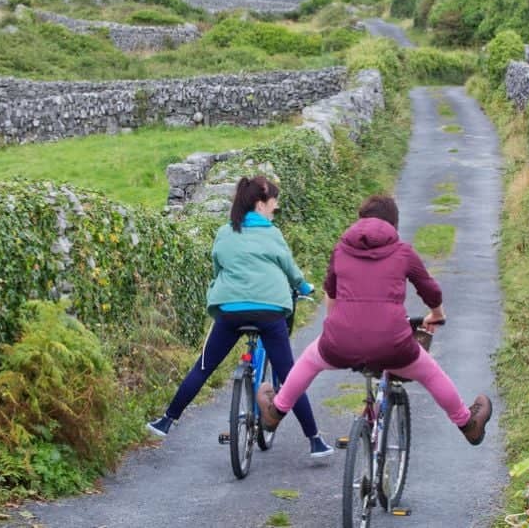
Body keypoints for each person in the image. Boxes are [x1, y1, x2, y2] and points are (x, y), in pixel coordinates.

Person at [256, 194, 492, 445]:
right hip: (392, 344)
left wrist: (335, 329)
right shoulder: (402, 252)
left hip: (340, 342)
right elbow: (429, 289)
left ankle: (276, 412)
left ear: (360, 221)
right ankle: (467, 424)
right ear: (394, 224)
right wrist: (437, 314)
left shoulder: (341, 249)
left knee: (310, 359)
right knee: (430, 373)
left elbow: (332, 295)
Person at [147, 175, 334, 459]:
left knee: (204, 366)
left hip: (230, 310)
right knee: (291, 376)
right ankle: (315, 440)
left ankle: (166, 420)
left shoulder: (225, 232)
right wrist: (304, 287)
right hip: (269, 312)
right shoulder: (272, 234)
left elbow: (218, 266)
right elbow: (290, 269)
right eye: (274, 203)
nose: (275, 208)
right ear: (260, 205)